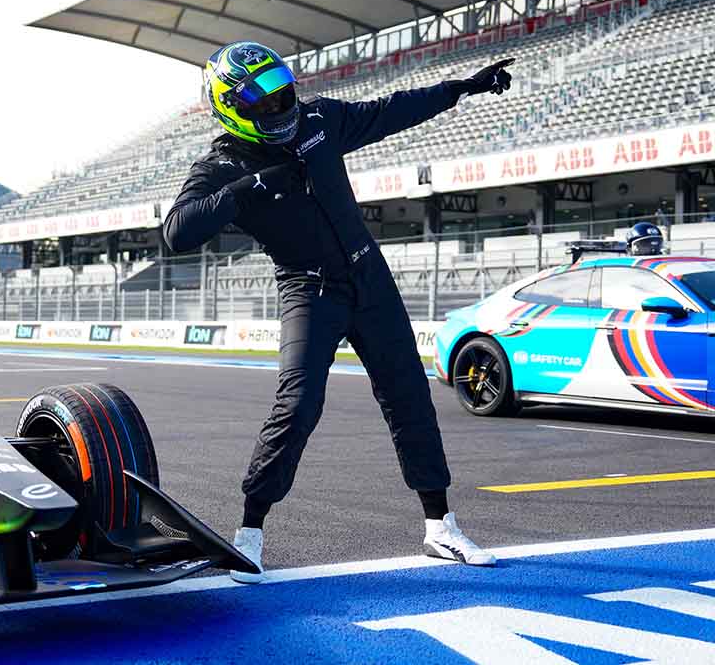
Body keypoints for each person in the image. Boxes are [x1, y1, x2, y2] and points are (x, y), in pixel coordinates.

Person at [164, 41, 513, 582]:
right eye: (264, 100)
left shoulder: (318, 118)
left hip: (369, 277)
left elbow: (390, 110)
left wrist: (460, 89)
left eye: (284, 93)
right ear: (231, 104)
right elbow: (177, 231)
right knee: (299, 404)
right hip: (308, 288)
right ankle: (249, 533)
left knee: (409, 398)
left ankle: (440, 526)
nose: (281, 107)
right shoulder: (221, 163)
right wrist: (249, 188)